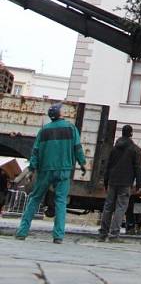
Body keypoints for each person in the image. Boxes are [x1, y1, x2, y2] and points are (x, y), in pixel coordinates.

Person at [16, 103, 86, 243]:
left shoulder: (44, 131)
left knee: (35, 199)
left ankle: (22, 232)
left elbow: (35, 152)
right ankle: (58, 236)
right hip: (63, 170)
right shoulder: (71, 128)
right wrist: (82, 164)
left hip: (45, 170)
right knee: (60, 202)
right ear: (60, 114)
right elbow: (77, 148)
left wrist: (31, 169)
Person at [98, 124, 141, 241]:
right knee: (120, 208)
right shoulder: (134, 149)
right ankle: (114, 235)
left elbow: (108, 165)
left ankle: (103, 234)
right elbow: (138, 167)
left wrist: (105, 182)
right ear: (131, 134)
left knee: (108, 207)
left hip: (112, 181)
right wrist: (138, 184)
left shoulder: (114, 148)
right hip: (125, 183)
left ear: (122, 133)